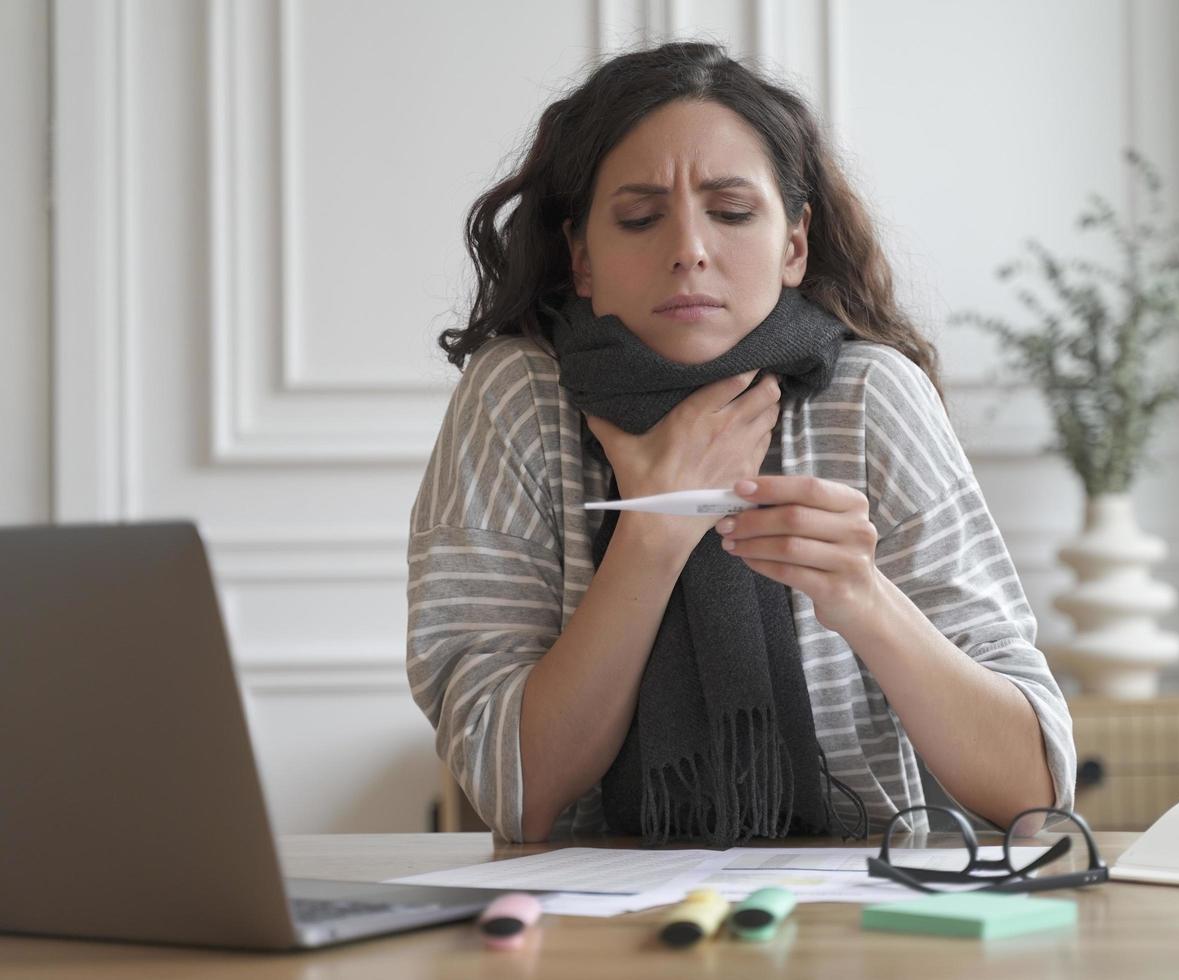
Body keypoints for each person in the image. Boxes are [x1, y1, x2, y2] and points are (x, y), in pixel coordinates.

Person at [407, 41, 1075, 845]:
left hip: (866, 922)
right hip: (586, 934)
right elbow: (514, 790)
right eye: (640, 217)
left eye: (730, 212)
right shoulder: (516, 398)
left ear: (794, 245)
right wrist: (653, 531)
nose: (689, 248)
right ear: (581, 256)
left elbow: (1034, 787)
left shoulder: (871, 396)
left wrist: (862, 598)